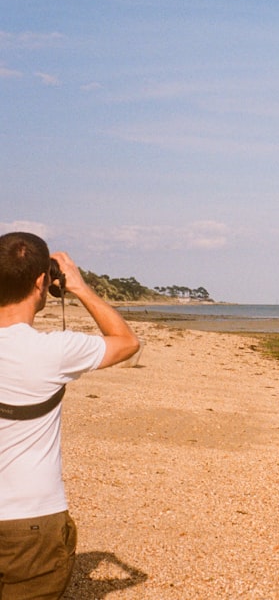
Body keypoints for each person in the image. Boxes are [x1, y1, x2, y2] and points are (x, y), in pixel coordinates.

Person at [0, 231, 140, 599]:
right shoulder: (55, 351)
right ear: (42, 282)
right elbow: (127, 342)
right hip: (30, 522)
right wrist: (80, 287)